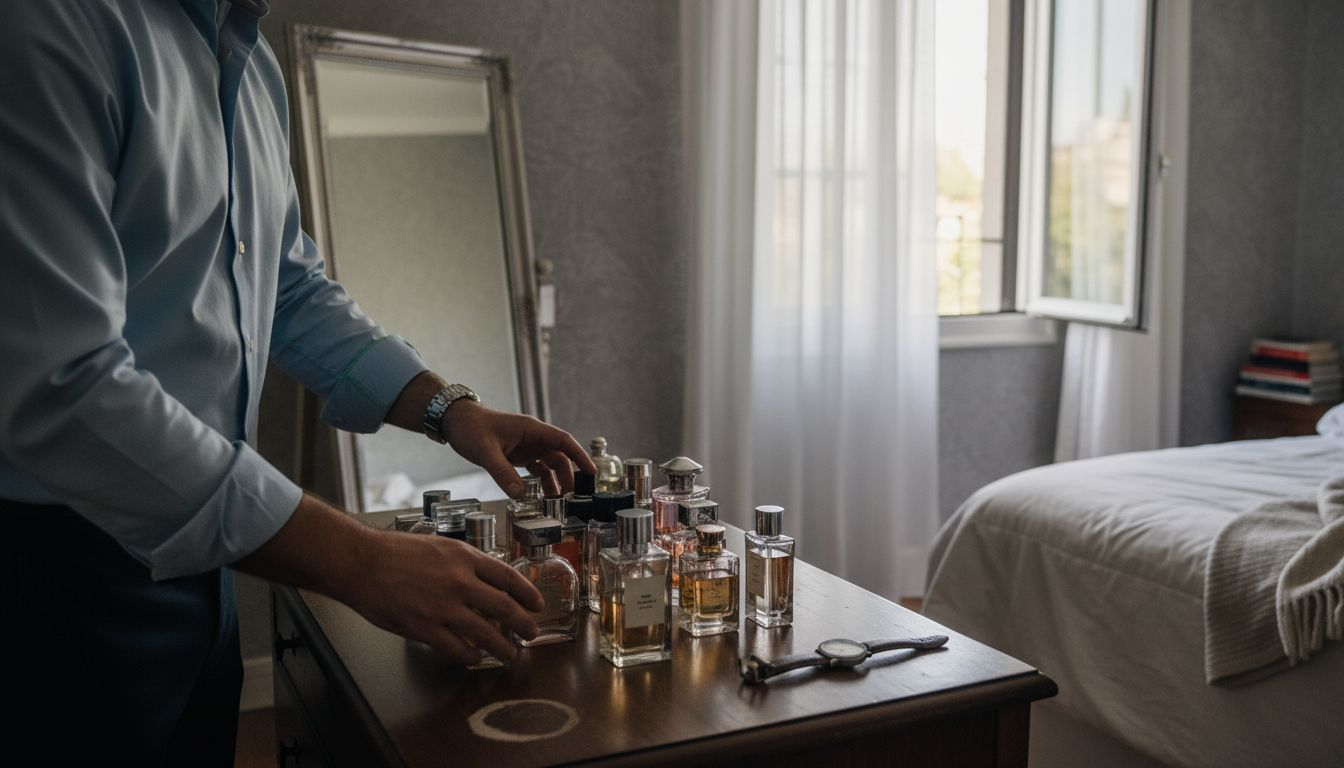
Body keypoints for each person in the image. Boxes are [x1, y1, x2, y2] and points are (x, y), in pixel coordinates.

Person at [0, 1, 597, 763]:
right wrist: (362, 561)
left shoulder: (250, 65)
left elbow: (287, 286)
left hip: (201, 558)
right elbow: (63, 385)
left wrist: (448, 408)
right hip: (58, 575)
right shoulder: (47, 26)